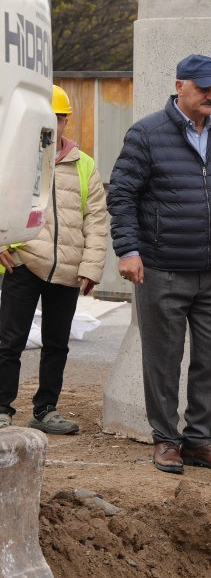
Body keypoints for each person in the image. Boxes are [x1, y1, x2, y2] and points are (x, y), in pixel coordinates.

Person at [108, 54, 211, 474]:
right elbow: (122, 196)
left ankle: (200, 440)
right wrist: (128, 251)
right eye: (203, 87)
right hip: (162, 269)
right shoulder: (147, 133)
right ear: (179, 85)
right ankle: (167, 440)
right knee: (163, 359)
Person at [0, 85, 108, 434]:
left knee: (57, 343)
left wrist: (91, 267)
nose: (52, 125)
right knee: (8, 341)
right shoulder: (15, 158)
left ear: (65, 122)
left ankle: (45, 410)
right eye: (47, 119)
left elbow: (96, 218)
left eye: (58, 119)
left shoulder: (84, 164)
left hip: (67, 268)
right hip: (24, 262)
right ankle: (1, 408)